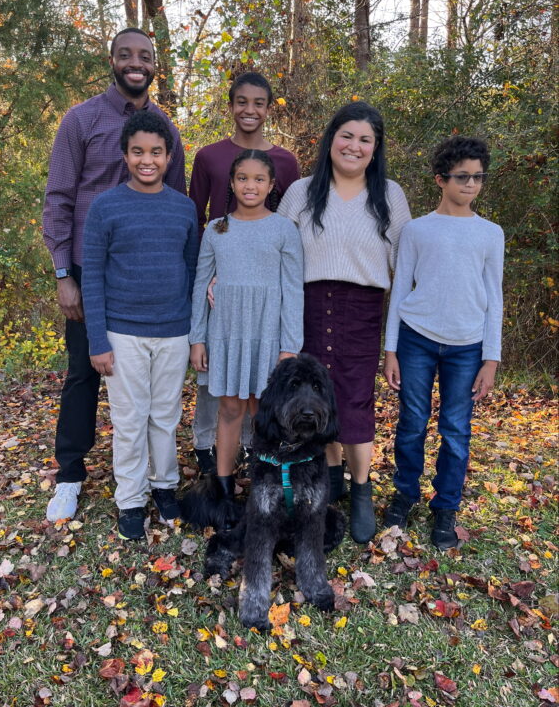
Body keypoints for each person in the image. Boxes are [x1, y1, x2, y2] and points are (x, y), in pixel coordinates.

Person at [42, 28, 186, 522]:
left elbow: (179, 205)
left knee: (151, 397)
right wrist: (64, 273)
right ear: (112, 60)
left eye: (144, 56)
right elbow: (59, 198)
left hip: (145, 277)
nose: (135, 63)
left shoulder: (165, 129)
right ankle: (70, 475)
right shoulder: (81, 120)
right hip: (88, 268)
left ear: (153, 65)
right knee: (83, 371)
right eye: (125, 55)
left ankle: (154, 479)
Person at [278, 102, 411, 544]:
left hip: (362, 308)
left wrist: (394, 344)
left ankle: (360, 488)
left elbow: (407, 271)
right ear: (331, 138)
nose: (354, 146)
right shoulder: (300, 192)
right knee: (317, 397)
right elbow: (272, 249)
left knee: (355, 401)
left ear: (375, 148)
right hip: (308, 305)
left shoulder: (389, 195)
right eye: (347, 135)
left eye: (365, 139)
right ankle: (330, 475)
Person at [81, 111, 198, 540]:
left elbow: (191, 272)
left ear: (168, 157)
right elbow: (91, 275)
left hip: (173, 330)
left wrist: (194, 332)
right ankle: (131, 498)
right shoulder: (105, 206)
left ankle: (165, 486)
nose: (146, 160)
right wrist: (98, 340)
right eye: (138, 152)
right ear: (125, 154)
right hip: (122, 332)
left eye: (156, 152)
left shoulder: (184, 209)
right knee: (130, 419)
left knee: (165, 416)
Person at [383, 135, 504, 550]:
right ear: (441, 179)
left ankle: (446, 506)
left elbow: (495, 297)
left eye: (478, 177)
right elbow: (400, 289)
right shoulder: (417, 230)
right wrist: (391, 349)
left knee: (456, 430)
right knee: (412, 423)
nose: (471, 184)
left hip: (468, 346)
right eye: (462, 176)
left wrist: (491, 358)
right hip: (416, 340)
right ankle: (405, 493)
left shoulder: (491, 234)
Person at [188, 72, 300, 473]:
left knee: (262, 405)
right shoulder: (209, 159)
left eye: (258, 102)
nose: (249, 109)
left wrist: (291, 342)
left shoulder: (287, 167)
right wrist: (198, 330)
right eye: (241, 101)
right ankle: (217, 473)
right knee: (225, 401)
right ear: (230, 104)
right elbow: (195, 220)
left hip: (268, 318)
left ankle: (266, 481)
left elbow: (289, 267)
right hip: (226, 311)